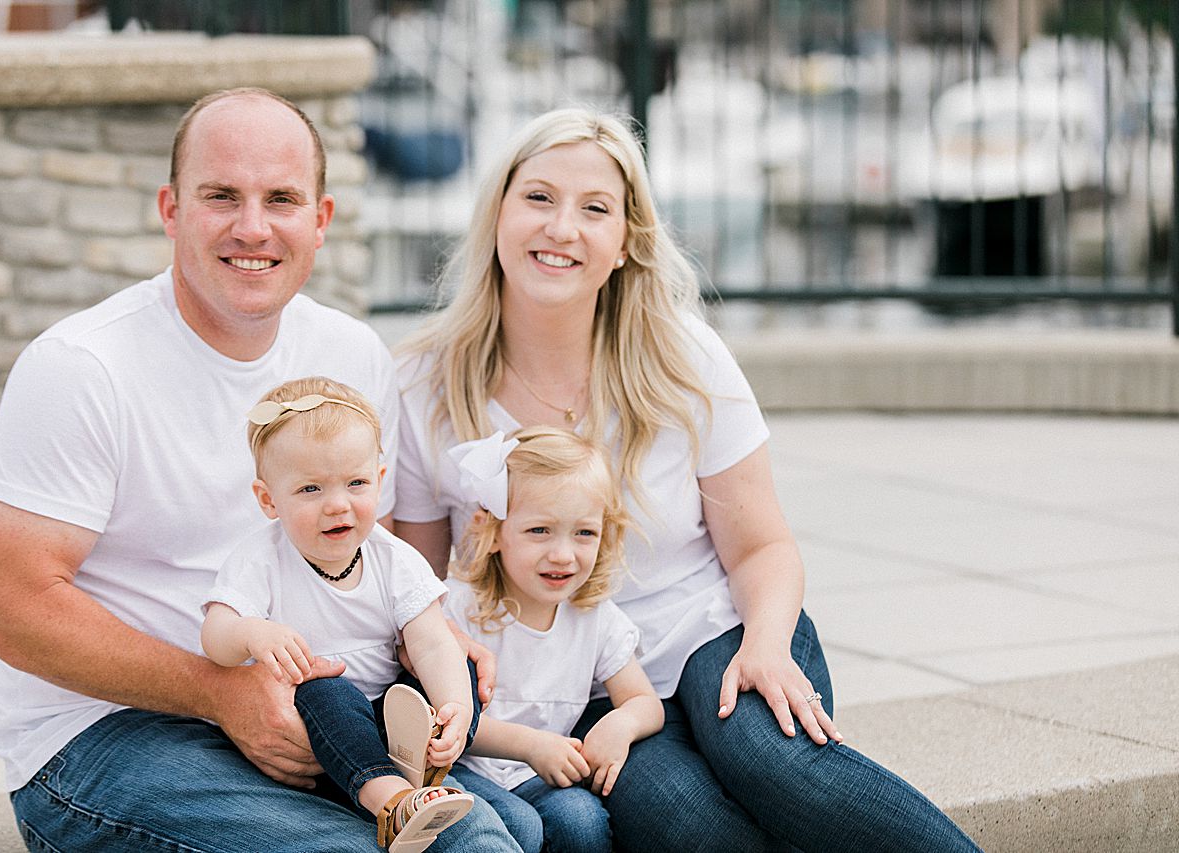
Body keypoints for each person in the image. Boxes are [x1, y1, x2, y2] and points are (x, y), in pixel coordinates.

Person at [393, 107, 982, 852]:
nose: (561, 228)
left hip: (714, 634)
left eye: (595, 209)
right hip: (581, 688)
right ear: (499, 213)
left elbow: (762, 546)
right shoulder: (424, 382)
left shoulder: (681, 356)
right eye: (538, 197)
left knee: (771, 760)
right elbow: (415, 586)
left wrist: (765, 644)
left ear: (625, 244)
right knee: (694, 827)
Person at [0, 87, 519, 852]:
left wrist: (429, 637)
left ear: (320, 220)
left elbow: (364, 560)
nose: (252, 227)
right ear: (170, 208)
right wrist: (219, 692)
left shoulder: (353, 356)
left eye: (282, 199)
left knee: (513, 829)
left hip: (316, 710)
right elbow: (14, 609)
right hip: (103, 736)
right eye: (221, 196)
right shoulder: (82, 367)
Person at [202, 376, 477, 850]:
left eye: (356, 483)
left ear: (380, 481)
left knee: (458, 663)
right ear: (269, 499)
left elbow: (431, 640)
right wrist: (251, 633)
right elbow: (215, 636)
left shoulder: (393, 557)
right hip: (317, 729)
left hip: (390, 718)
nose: (337, 504)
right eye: (310, 488)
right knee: (324, 691)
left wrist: (456, 704)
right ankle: (392, 801)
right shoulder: (261, 559)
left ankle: (435, 759)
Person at [438, 427, 663, 853]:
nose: (563, 554)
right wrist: (530, 745)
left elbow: (645, 702)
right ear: (492, 531)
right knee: (520, 826)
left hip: (533, 774)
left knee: (581, 821)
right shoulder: (461, 609)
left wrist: (622, 724)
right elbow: (443, 719)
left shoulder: (594, 617)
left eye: (584, 533)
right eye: (540, 530)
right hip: (459, 768)